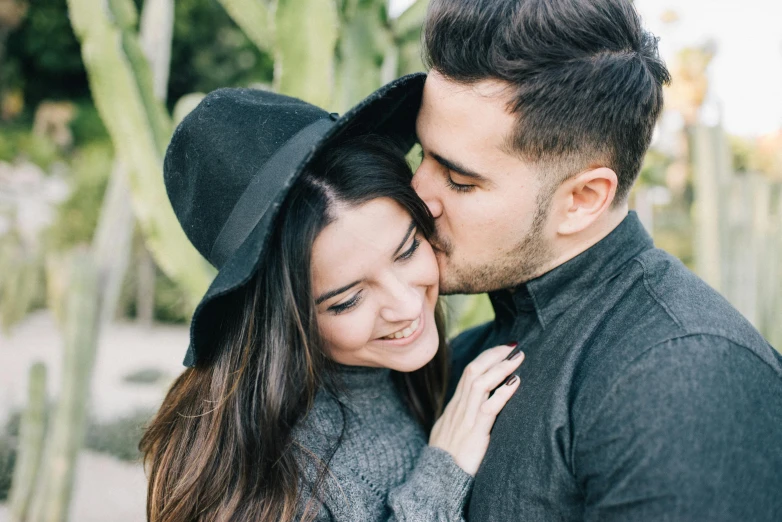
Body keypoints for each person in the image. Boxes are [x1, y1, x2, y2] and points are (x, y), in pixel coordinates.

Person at [412, 0, 782, 520]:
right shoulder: (458, 354)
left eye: (460, 180)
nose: (417, 195)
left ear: (582, 199)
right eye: (420, 156)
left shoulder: (678, 378)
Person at [140, 76, 523, 522]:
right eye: (347, 301)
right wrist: (440, 477)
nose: (405, 305)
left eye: (408, 250)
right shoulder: (270, 482)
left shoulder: (405, 374)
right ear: (284, 319)